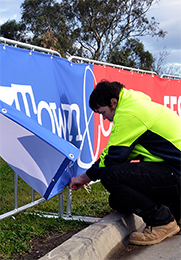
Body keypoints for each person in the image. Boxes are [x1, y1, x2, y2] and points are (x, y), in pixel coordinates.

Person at [69, 80, 181, 245]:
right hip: (173, 171)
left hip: (176, 174)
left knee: (110, 176)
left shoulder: (129, 113)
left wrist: (85, 177)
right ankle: (176, 215)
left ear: (113, 103)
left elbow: (114, 156)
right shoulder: (136, 102)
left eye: (103, 112)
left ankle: (162, 222)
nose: (105, 118)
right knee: (117, 201)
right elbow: (121, 154)